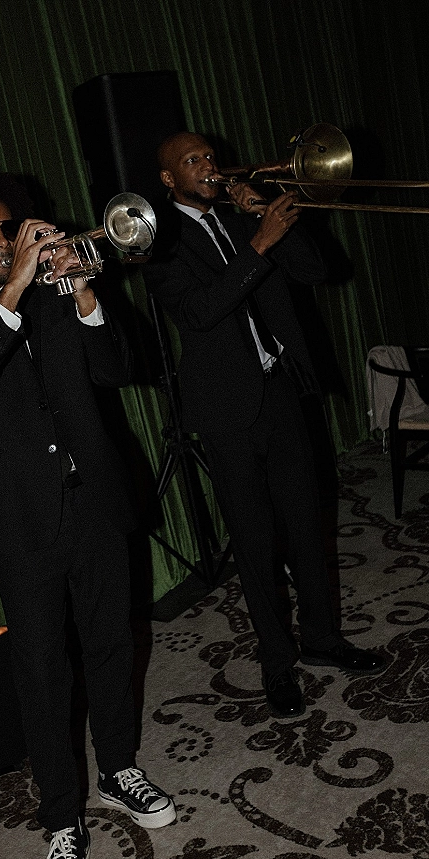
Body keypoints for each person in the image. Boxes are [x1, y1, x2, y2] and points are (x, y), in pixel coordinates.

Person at [0, 167, 175, 859]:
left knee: (113, 643)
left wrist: (85, 291)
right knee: (41, 670)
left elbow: (126, 366)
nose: (1, 241)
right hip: (22, 522)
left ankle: (120, 770)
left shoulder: (62, 301)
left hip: (94, 502)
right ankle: (60, 815)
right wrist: (17, 286)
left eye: (8, 227)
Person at [143, 132, 385, 720]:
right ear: (169, 181)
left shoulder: (237, 217)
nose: (208, 167)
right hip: (225, 410)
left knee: (307, 521)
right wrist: (259, 242)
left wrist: (273, 222)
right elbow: (200, 312)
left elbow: (317, 270)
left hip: (279, 388)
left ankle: (324, 640)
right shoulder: (158, 242)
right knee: (254, 542)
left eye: (208, 157)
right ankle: (278, 665)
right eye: (192, 162)